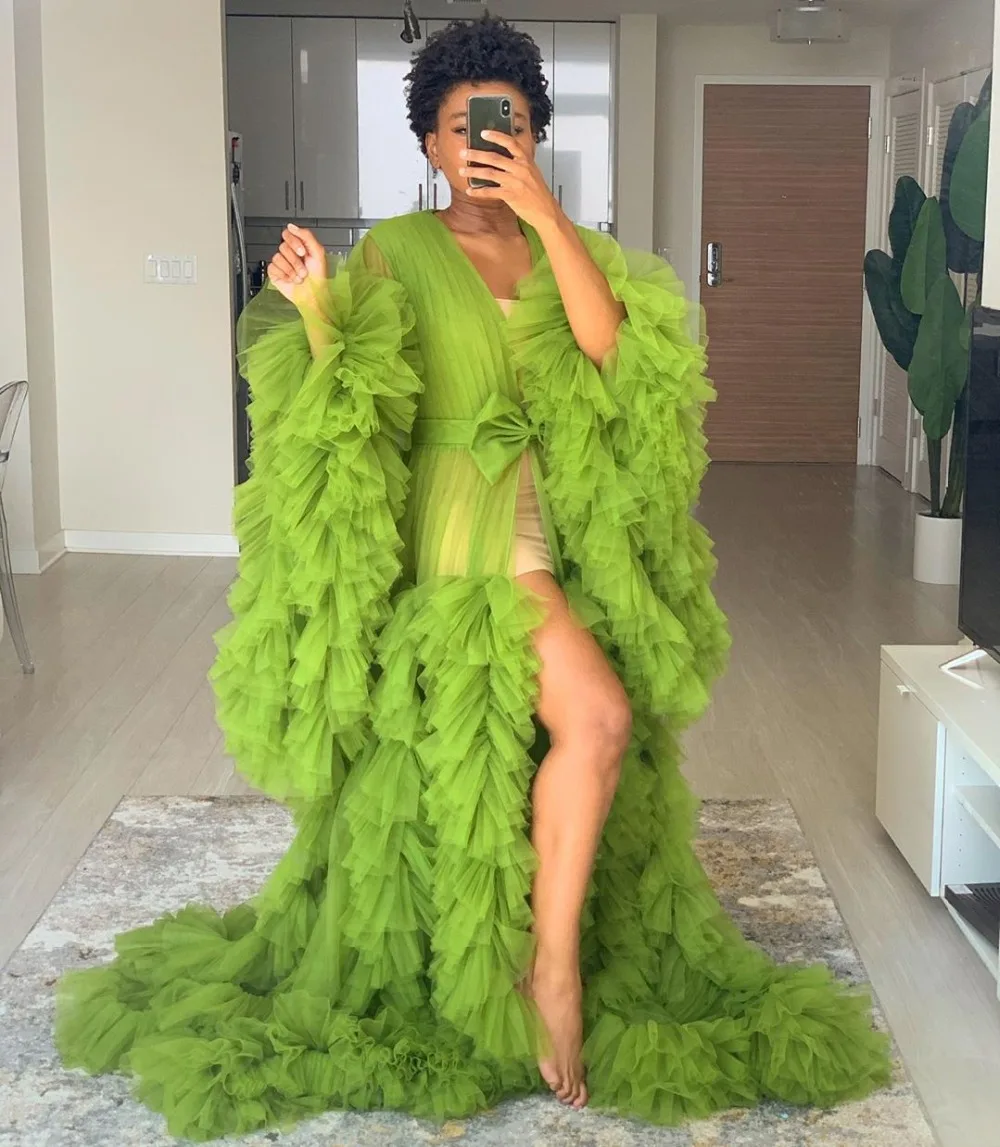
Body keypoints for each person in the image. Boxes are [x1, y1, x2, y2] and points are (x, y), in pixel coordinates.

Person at [53, 15, 890, 1139]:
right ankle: (552, 970)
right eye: (461, 127)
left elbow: (616, 358)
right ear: (429, 143)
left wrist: (546, 215)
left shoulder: (566, 244)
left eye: (508, 124)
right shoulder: (397, 250)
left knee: (584, 723)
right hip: (460, 516)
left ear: (534, 135)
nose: (484, 143)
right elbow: (358, 402)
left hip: (557, 514)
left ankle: (538, 937)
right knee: (596, 715)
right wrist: (316, 309)